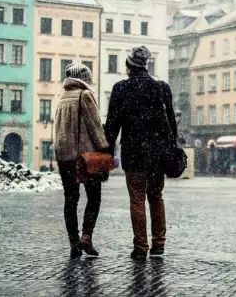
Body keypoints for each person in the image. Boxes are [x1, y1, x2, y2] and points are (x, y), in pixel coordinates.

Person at [104, 46, 177, 260]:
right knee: (156, 196)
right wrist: (171, 149)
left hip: (134, 153)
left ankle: (140, 247)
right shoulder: (161, 88)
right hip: (157, 154)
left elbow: (112, 126)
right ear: (146, 65)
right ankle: (159, 244)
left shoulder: (120, 89)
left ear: (129, 66)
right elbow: (171, 123)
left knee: (136, 199)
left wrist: (107, 153)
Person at [53, 62, 109, 259]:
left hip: (65, 156)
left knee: (71, 199)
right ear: (84, 79)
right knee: (94, 197)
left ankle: (73, 243)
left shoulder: (61, 98)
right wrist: (104, 148)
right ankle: (86, 236)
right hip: (87, 156)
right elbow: (95, 127)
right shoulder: (84, 95)